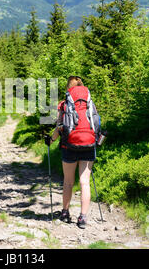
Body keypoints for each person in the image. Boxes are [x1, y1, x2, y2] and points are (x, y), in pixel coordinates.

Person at [45, 76, 97, 229]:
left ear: (69, 88)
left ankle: (65, 213)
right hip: (89, 144)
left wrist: (52, 140)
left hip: (69, 147)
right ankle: (82, 217)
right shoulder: (89, 102)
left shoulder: (64, 104)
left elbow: (60, 127)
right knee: (85, 182)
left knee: (68, 181)